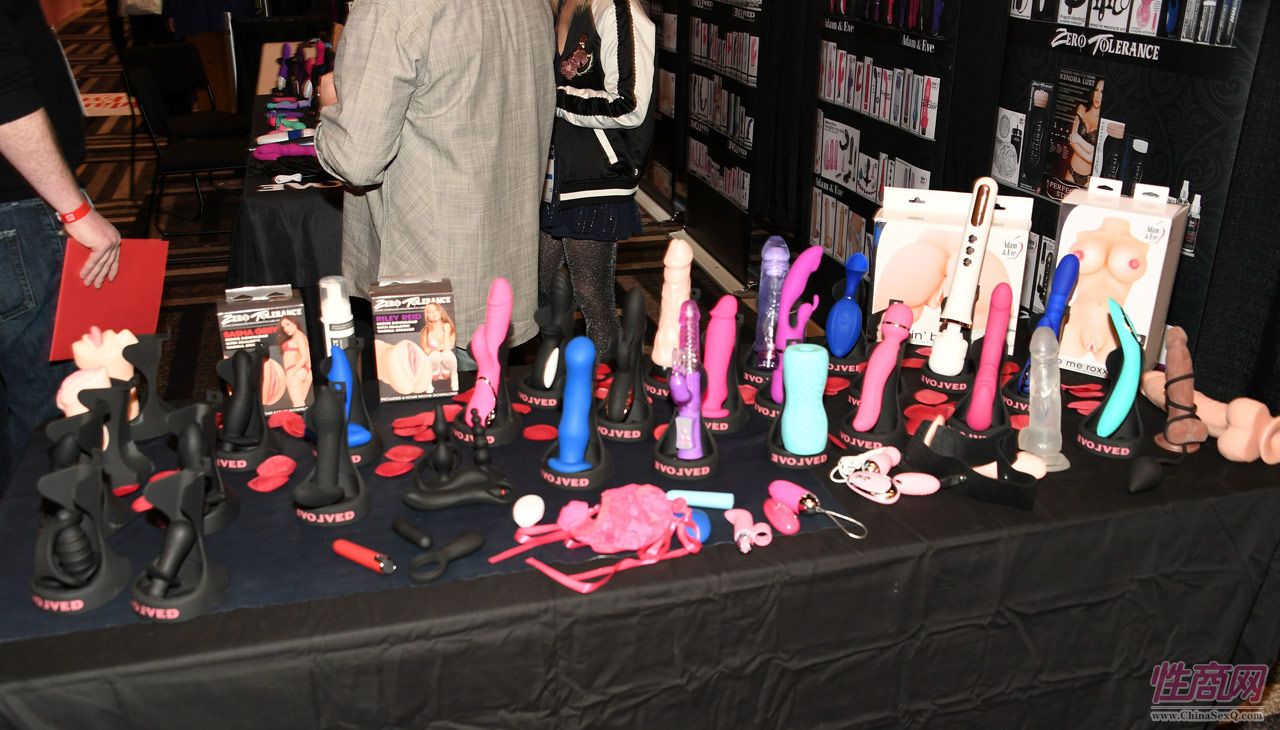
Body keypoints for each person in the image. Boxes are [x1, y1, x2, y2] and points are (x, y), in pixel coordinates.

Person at [314, 0, 555, 363]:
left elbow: (355, 160)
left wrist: (329, 105)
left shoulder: (391, 8)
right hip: (508, 270)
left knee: (429, 400)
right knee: (490, 393)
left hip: (427, 285)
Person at [0, 0, 122, 493]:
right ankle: (50, 532)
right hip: (18, 218)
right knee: (54, 406)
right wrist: (74, 211)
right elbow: (5, 98)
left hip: (17, 216)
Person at [539, 0, 657, 358]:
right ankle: (552, 378)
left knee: (593, 300)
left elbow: (629, 105)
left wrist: (552, 97)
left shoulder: (618, 9)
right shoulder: (558, 6)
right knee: (536, 292)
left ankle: (607, 388)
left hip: (597, 178)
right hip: (550, 176)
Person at [1067, 79, 1103, 187]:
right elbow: (1072, 140)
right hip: (1071, 172)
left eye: (1102, 92)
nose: (1098, 95)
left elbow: (1096, 157)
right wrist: (1092, 154)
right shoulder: (1081, 109)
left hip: (1088, 180)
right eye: (1096, 90)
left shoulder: (1103, 122)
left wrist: (1079, 139)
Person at [419, 303, 457, 391]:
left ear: (440, 311)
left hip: (446, 369)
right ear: (427, 316)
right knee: (435, 355)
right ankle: (428, 383)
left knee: (447, 353)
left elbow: (450, 346)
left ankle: (455, 380)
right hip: (433, 370)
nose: (434, 313)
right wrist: (439, 349)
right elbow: (426, 350)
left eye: (436, 310)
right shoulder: (426, 331)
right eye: (430, 312)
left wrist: (446, 332)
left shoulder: (449, 327)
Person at [277, 317, 312, 407]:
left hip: (295, 372)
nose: (286, 329)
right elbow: (308, 356)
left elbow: (304, 356)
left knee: (298, 404)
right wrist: (308, 373)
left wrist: (292, 373)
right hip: (301, 371)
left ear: (294, 322)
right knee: (300, 405)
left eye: (287, 324)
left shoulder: (299, 336)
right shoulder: (301, 336)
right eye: (283, 327)